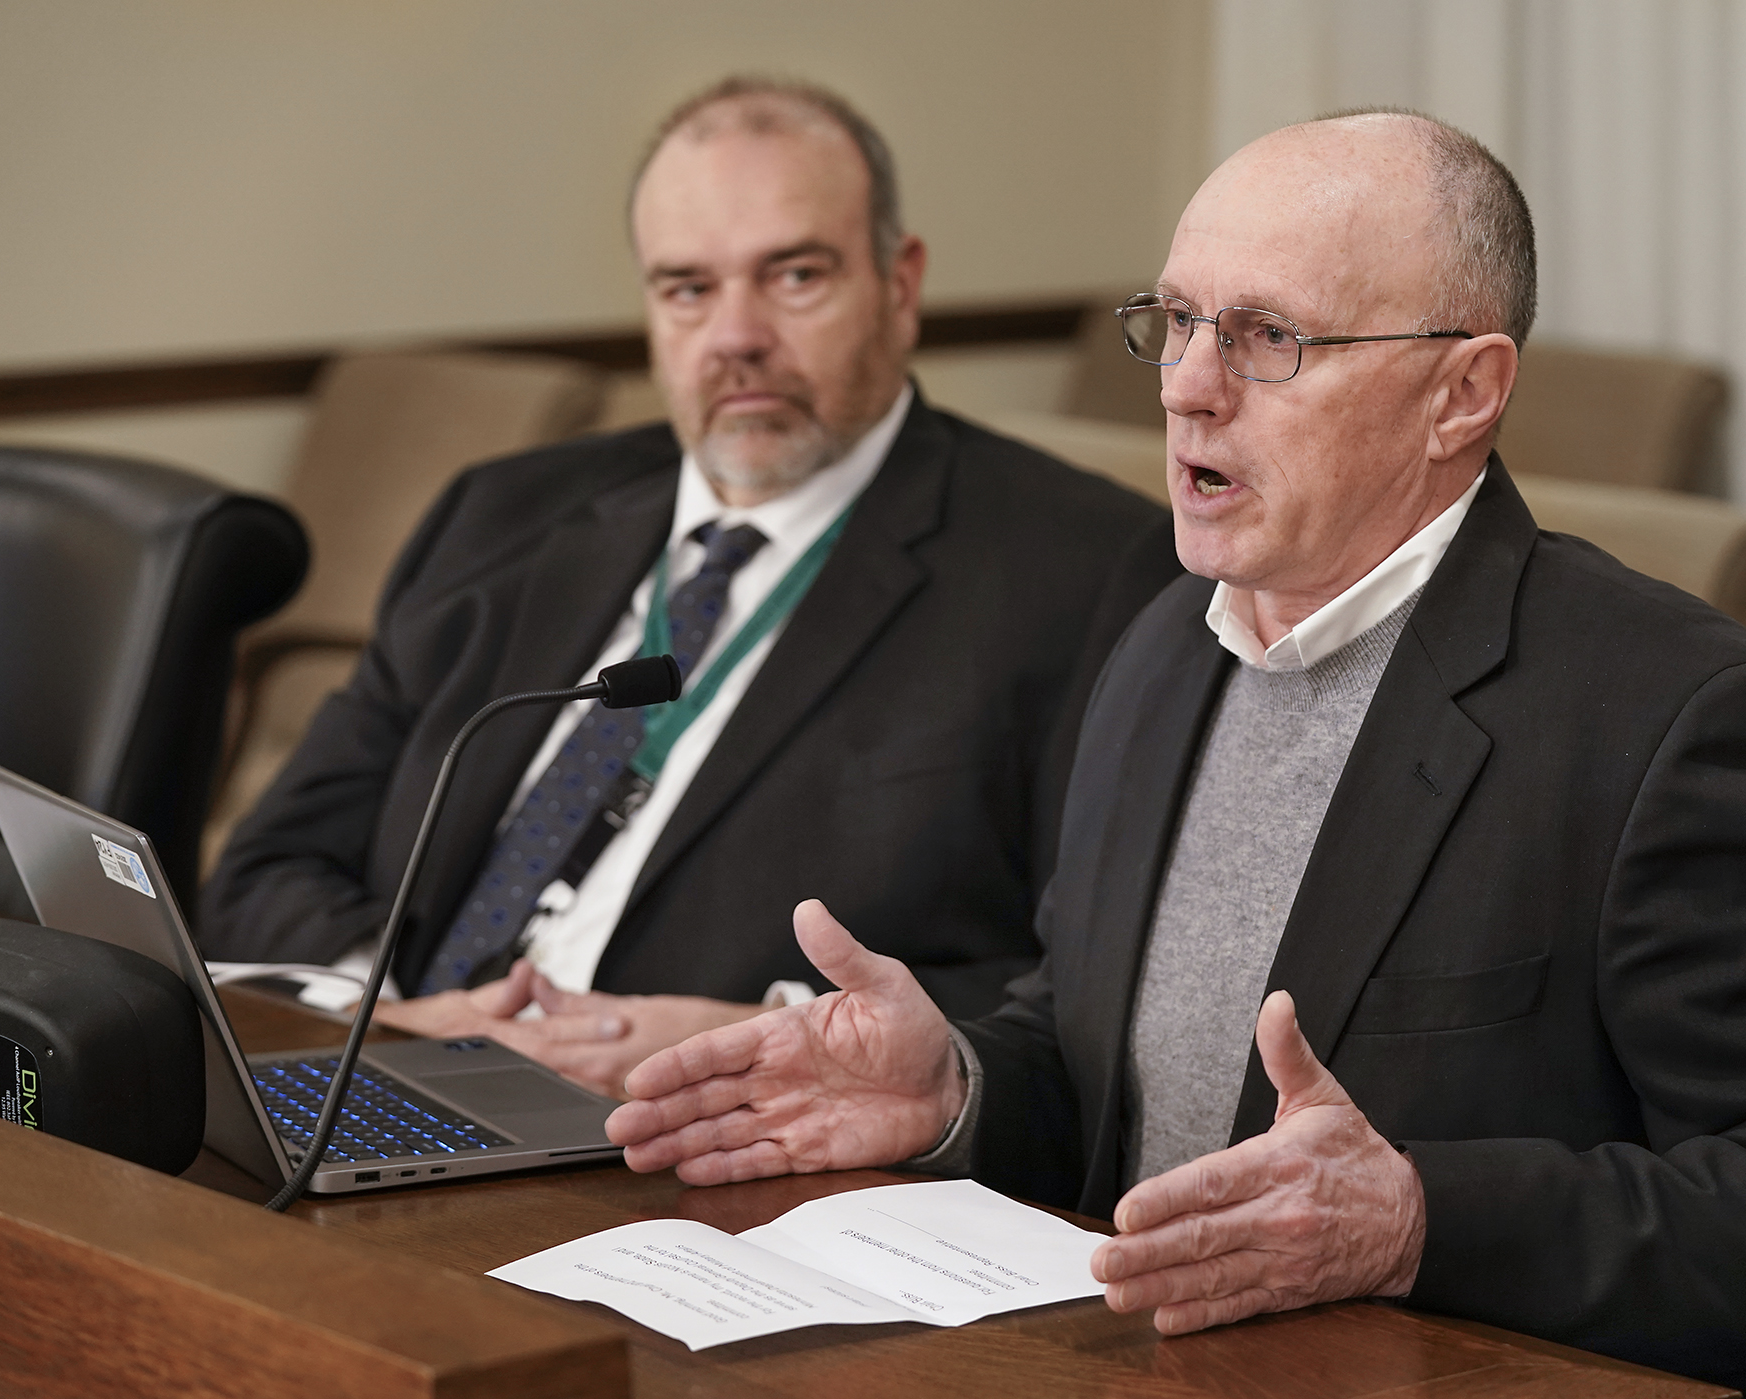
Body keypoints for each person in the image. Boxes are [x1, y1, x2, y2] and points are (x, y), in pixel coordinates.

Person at [603, 110, 1746, 1396]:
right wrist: (954, 1085)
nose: (1187, 390)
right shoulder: (1159, 650)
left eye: (1266, 338)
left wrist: (1417, 1215)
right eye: (1178, 322)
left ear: (1461, 392)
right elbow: (1109, 1080)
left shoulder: (1674, 715)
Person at [198, 78, 1177, 1099]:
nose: (736, 335)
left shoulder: (1087, 572)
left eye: (794, 275)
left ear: (900, 282)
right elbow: (263, 875)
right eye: (688, 289)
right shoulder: (501, 517)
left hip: (713, 1151)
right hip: (390, 1090)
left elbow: (1098, 987)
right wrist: (399, 1015)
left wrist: (773, 1036)